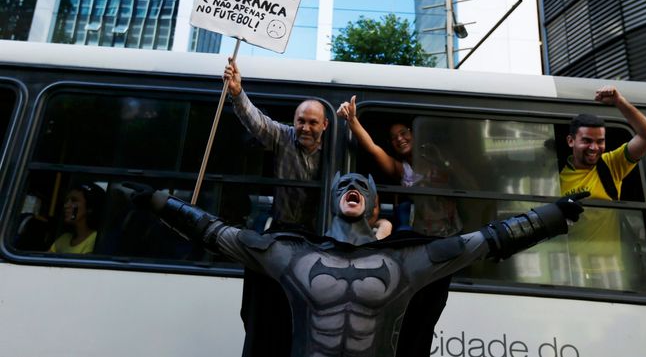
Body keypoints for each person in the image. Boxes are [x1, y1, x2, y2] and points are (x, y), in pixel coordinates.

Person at [124, 175, 586, 357]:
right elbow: (216, 234)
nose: (350, 185)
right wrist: (160, 202)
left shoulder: (408, 260)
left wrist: (552, 216)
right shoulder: (290, 255)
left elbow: (487, 241)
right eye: (342, 182)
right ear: (332, 200)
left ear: (372, 202)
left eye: (360, 184)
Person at [337, 94, 473, 356]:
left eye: (404, 133)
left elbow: (467, 184)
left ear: (415, 133)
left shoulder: (441, 162)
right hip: (419, 248)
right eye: (394, 137)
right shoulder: (403, 171)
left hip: (445, 244)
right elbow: (374, 149)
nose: (399, 138)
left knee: (432, 310)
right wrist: (353, 121)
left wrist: (443, 163)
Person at [560, 85, 646, 288]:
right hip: (573, 270)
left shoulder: (611, 165)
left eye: (600, 141)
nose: (594, 148)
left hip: (612, 271)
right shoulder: (556, 176)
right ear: (571, 141)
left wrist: (619, 102)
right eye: (587, 141)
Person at [224, 58, 328, 231]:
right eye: (301, 121)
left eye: (313, 122)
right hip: (282, 228)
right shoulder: (284, 136)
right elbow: (257, 122)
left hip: (317, 231)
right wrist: (237, 93)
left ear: (324, 125)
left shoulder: (333, 150)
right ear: (293, 121)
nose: (305, 128)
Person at [49, 182, 105, 254]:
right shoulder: (64, 239)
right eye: (67, 201)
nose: (66, 206)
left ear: (89, 208)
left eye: (74, 200)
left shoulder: (95, 240)